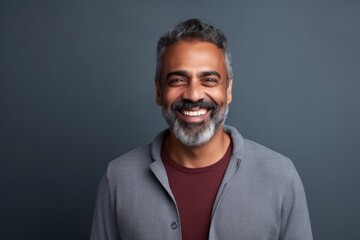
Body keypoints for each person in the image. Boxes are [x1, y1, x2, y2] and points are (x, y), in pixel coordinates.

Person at [90, 19, 313, 240]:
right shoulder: (118, 178)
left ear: (228, 89)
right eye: (178, 80)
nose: (194, 94)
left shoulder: (281, 177)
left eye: (209, 80)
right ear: (159, 90)